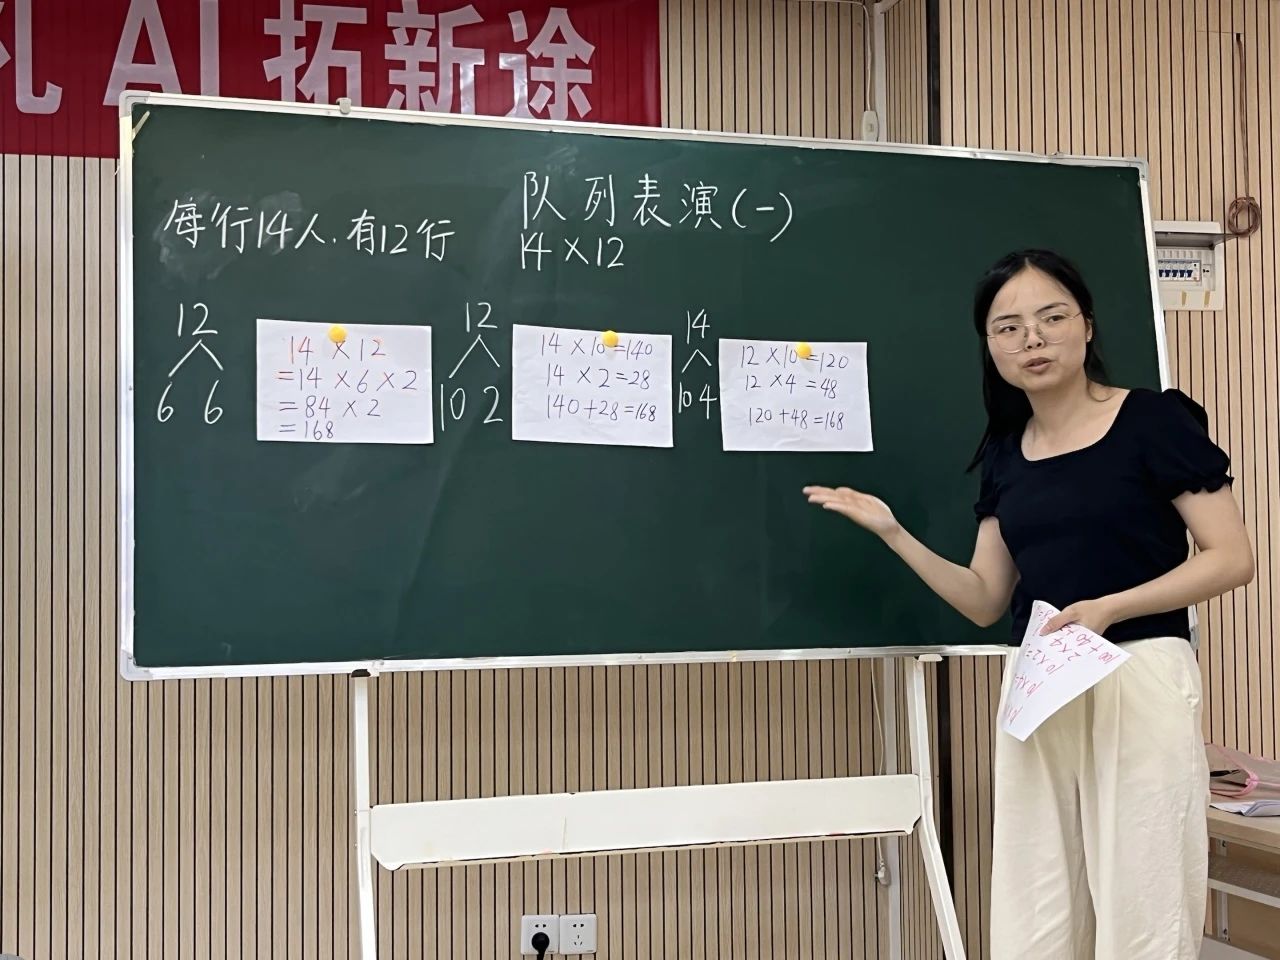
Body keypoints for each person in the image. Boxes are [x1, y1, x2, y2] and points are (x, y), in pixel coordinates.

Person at [804, 250, 1255, 960]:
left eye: (1051, 318)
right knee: (1035, 894)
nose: (1032, 339)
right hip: (1041, 681)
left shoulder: (1152, 420)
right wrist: (893, 532)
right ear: (990, 346)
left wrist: (1109, 607)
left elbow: (1231, 557)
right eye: (1008, 327)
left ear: (1087, 325)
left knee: (1143, 889)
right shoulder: (1007, 455)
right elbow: (986, 599)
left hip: (1136, 671)